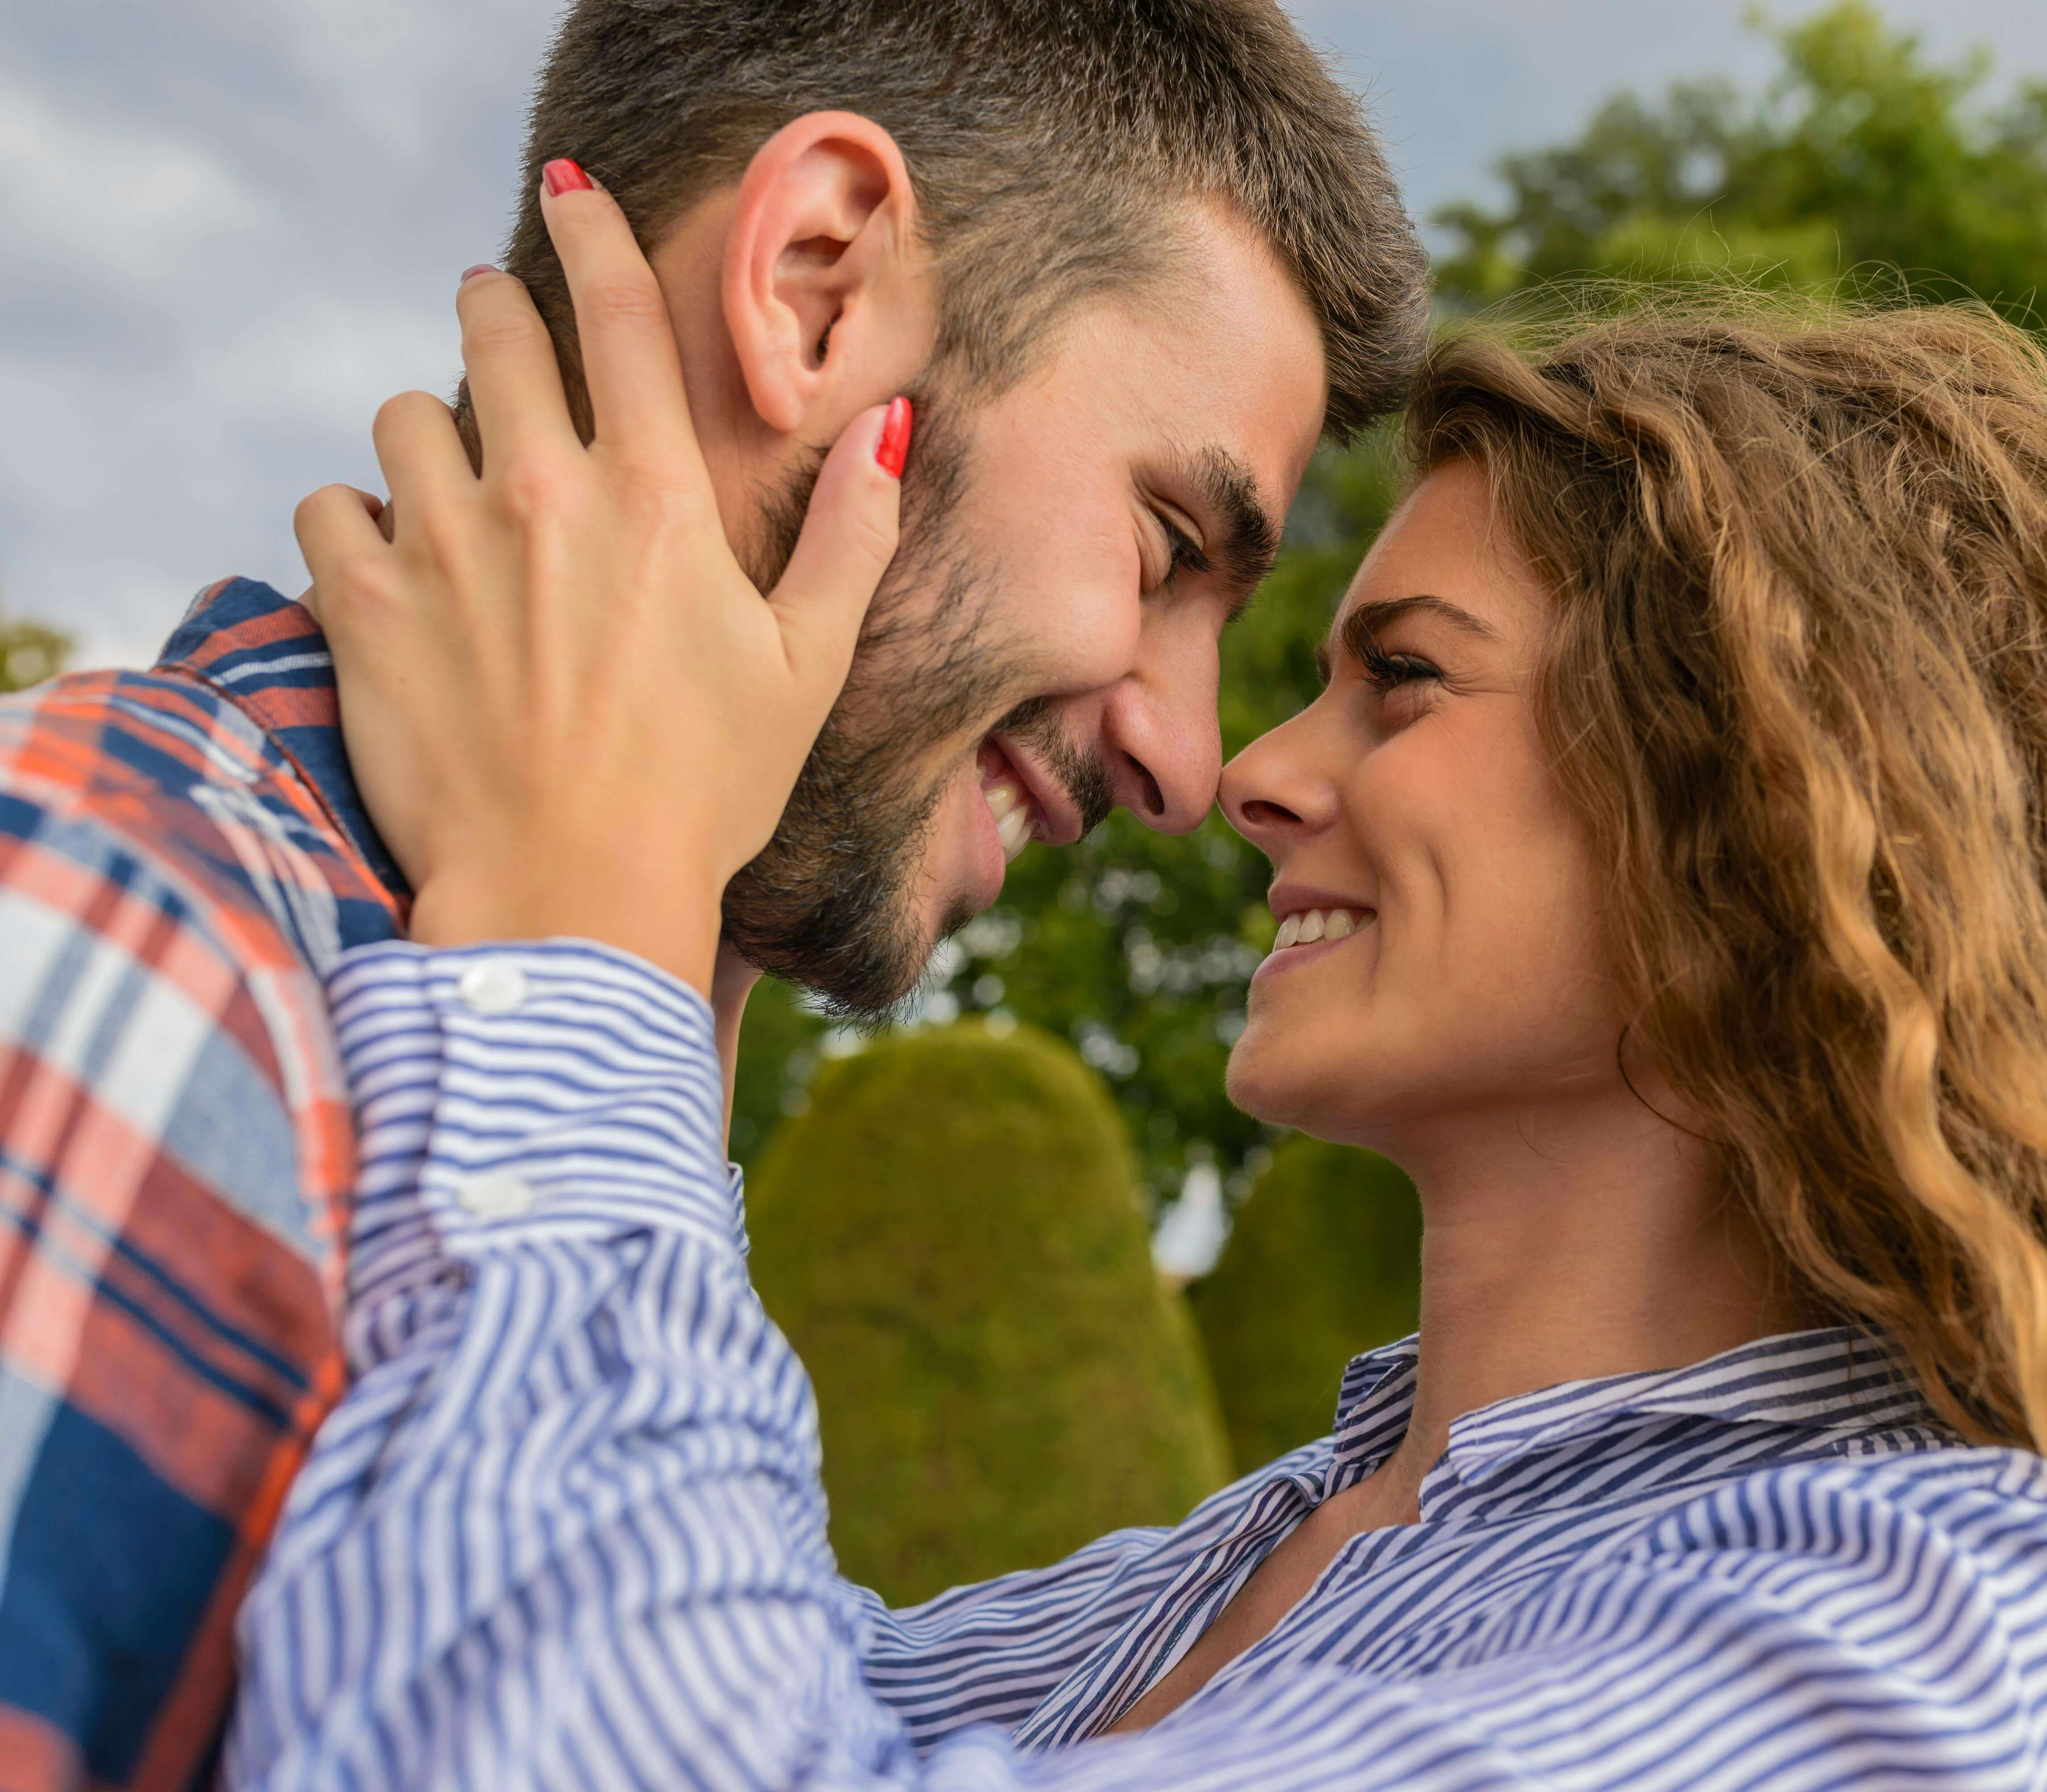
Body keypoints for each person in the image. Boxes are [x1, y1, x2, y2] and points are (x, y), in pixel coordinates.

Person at [224, 185, 2047, 1787]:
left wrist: (589, 923)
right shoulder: (1254, 1557)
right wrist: (711, 868)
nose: (1249, 771)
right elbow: (629, 1670)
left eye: (1401, 676)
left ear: (1779, 804)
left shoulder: (1986, 1657)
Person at [0, 2, 1427, 1784]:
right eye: (1164, 550)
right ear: (818, 288)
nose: (1190, 757)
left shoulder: (528, 1149)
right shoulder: (111, 935)